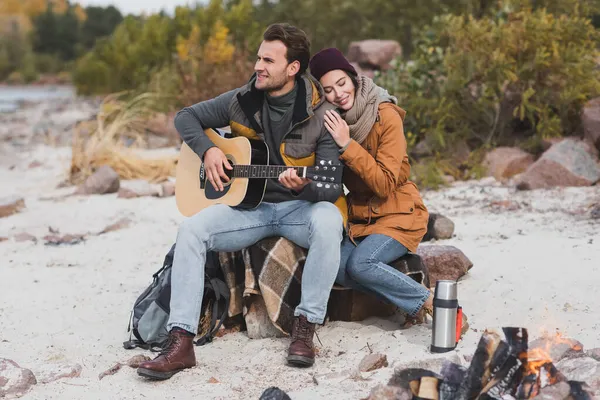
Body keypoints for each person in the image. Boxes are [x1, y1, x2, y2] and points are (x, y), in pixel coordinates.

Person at [137, 24, 346, 380]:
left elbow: (329, 187)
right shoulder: (240, 100)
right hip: (250, 209)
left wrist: (302, 187)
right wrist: (209, 152)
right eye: (258, 57)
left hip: (299, 210)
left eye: (268, 60)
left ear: (292, 68)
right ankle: (181, 340)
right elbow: (185, 117)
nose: (258, 66)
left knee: (328, 218)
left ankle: (306, 326)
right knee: (191, 229)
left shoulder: (322, 115)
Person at [308, 48, 433, 328]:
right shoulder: (333, 123)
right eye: (328, 90)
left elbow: (385, 184)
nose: (339, 94)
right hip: (361, 218)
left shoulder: (385, 115)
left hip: (399, 215)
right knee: (334, 266)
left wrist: (347, 145)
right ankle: (402, 299)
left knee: (360, 265)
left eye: (342, 83)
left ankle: (427, 301)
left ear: (353, 78)